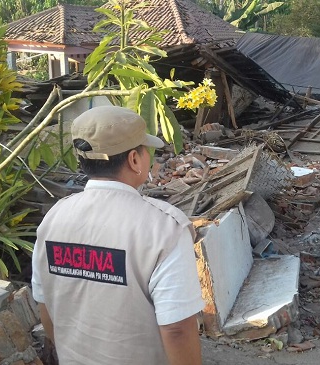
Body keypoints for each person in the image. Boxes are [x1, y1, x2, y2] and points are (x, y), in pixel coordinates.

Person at [32, 105, 204, 365]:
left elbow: (45, 307)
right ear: (135, 160)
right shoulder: (165, 228)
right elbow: (177, 329)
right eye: (146, 151)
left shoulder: (53, 219)